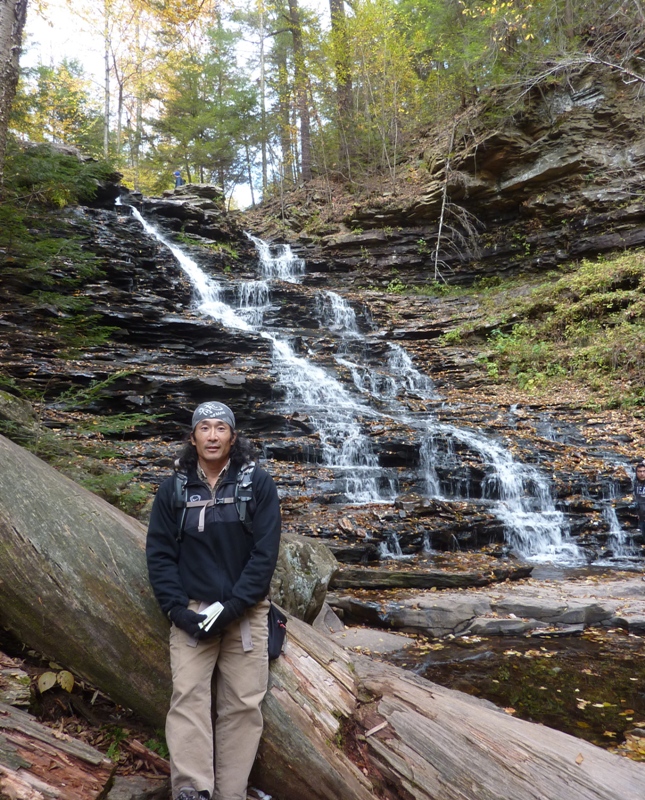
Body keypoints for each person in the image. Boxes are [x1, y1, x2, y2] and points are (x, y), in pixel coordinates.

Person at [146, 401, 281, 800]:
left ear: (233, 437)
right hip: (194, 611)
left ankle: (230, 794)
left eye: (220, 428)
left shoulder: (257, 484)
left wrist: (236, 605)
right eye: (204, 428)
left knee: (242, 706)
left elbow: (265, 553)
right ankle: (193, 790)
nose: (212, 435)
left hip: (246, 612)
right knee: (188, 697)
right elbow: (159, 553)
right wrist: (175, 610)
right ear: (193, 437)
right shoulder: (174, 488)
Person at [633, 459, 645, 536]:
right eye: (639, 471)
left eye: (644, 471)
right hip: (640, 519)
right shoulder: (633, 484)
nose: (642, 474)